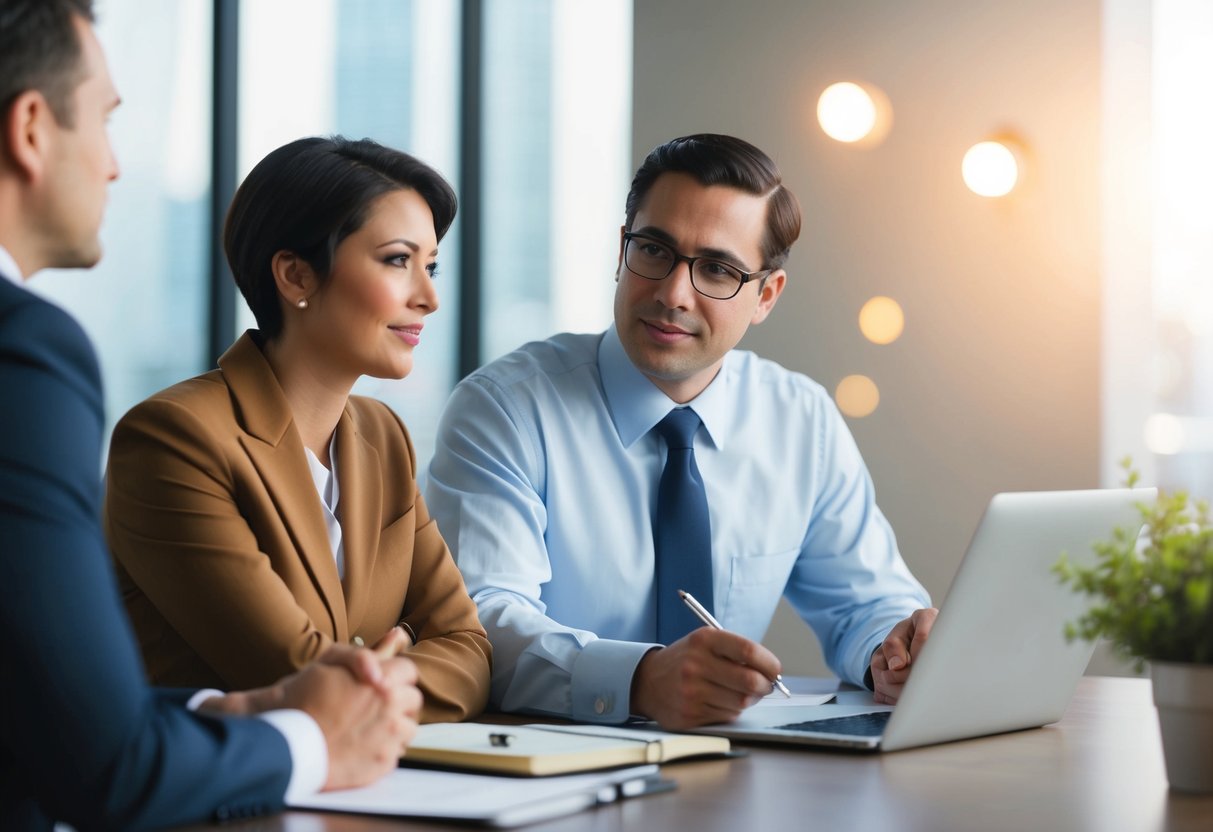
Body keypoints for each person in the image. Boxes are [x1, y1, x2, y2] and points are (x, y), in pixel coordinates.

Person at [0, 2, 421, 828]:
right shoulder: (31, 355)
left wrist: (224, 711)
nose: (116, 165)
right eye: (107, 119)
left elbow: (464, 644)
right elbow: (108, 770)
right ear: (31, 127)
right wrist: (312, 738)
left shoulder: (384, 436)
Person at [426, 133, 937, 730]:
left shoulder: (801, 419)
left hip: (734, 778)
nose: (672, 294)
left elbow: (866, 603)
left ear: (765, 295)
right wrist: (640, 681)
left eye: (717, 270)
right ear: (622, 252)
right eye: (654, 251)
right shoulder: (504, 409)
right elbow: (480, 621)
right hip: (548, 768)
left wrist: (893, 651)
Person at [102, 135, 492, 723]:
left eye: (430, 265)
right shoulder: (173, 439)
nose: (430, 297)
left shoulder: (384, 436)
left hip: (378, 789)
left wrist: (378, 677)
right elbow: (294, 682)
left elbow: (470, 652)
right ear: (295, 276)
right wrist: (404, 651)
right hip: (230, 803)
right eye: (397, 260)